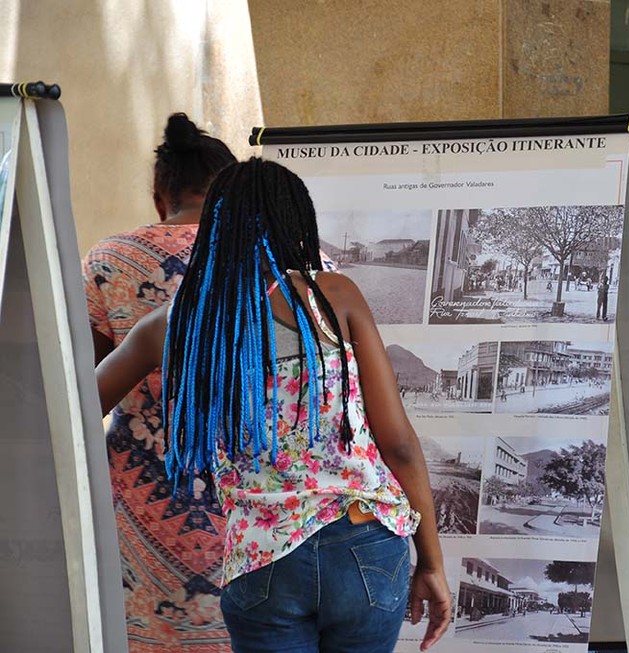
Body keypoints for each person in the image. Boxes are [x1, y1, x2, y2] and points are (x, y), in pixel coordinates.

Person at [96, 158, 451, 653]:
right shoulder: (334, 297)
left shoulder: (176, 325)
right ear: (297, 222)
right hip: (365, 543)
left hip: (263, 558)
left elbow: (73, 408)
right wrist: (431, 563)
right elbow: (400, 446)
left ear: (216, 226)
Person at [82, 113, 237, 650]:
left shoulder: (108, 261)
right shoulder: (284, 263)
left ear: (158, 194)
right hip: (249, 496)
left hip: (142, 498)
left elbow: (82, 390)